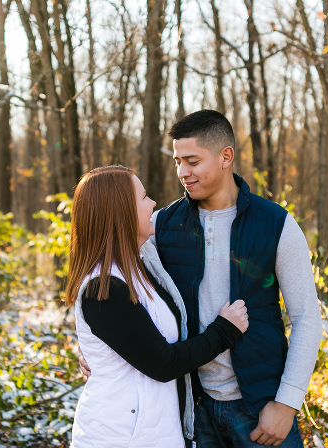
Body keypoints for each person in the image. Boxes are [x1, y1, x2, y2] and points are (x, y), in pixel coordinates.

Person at [79, 110, 323, 447]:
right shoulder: (160, 226)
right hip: (192, 410)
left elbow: (306, 317)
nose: (182, 172)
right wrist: (93, 348)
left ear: (226, 157)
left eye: (192, 161)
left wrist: (286, 403)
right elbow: (107, 287)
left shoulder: (276, 224)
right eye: (178, 161)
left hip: (259, 407)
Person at [66, 165, 250, 448]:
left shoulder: (142, 261)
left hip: (154, 432)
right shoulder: (104, 289)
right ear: (121, 212)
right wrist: (224, 331)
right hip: (119, 437)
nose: (152, 204)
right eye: (143, 198)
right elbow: (163, 363)